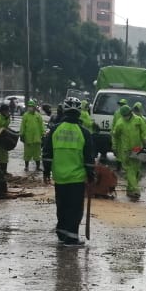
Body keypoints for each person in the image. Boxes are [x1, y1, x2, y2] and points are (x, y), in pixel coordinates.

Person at [42, 99, 95, 246]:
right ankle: (71, 238)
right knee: (75, 208)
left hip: (59, 176)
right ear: (79, 113)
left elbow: (47, 153)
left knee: (62, 205)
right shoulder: (84, 132)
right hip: (76, 177)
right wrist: (91, 175)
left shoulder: (55, 129)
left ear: (64, 111)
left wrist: (46, 172)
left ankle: (62, 232)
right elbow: (89, 158)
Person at [112, 104, 144, 200]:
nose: (127, 117)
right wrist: (114, 147)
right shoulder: (120, 123)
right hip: (125, 150)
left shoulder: (138, 120)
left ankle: (130, 189)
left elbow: (144, 131)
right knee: (130, 170)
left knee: (136, 170)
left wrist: (145, 140)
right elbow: (115, 136)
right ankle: (135, 189)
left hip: (137, 149)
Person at [20, 99, 44, 172]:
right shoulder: (25, 115)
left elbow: (41, 126)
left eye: (31, 106)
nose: (30, 107)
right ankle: (26, 167)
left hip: (37, 139)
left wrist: (43, 134)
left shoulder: (38, 116)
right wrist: (22, 135)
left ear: (34, 107)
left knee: (37, 154)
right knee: (27, 154)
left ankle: (38, 167)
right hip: (28, 138)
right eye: (29, 106)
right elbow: (22, 126)